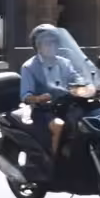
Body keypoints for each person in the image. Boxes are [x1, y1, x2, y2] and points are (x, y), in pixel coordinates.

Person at [18, 25, 80, 181]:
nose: (52, 46)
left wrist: (88, 85)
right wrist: (38, 99)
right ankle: (52, 164)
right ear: (38, 46)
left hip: (66, 106)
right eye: (47, 43)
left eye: (54, 43)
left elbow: (77, 78)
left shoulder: (64, 63)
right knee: (58, 126)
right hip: (44, 111)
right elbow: (25, 95)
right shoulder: (29, 67)